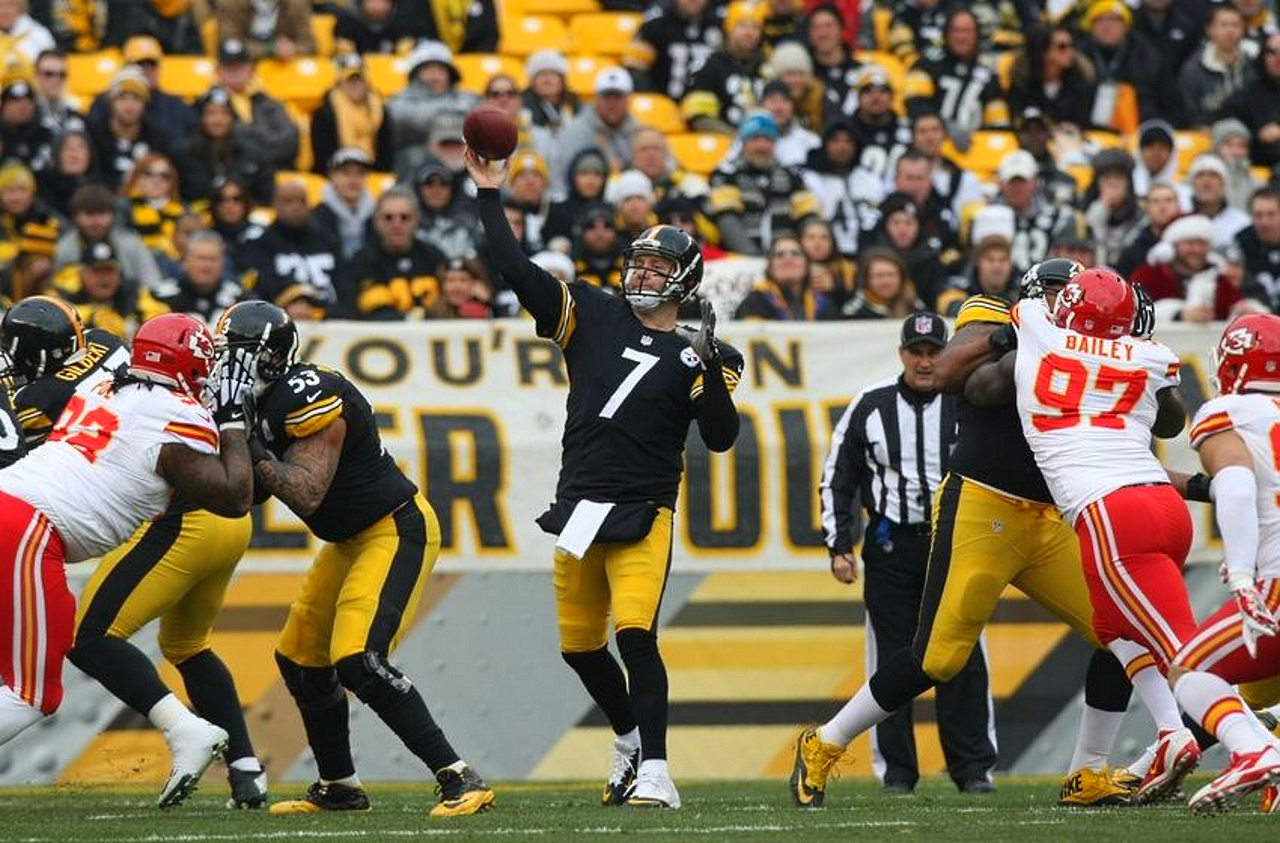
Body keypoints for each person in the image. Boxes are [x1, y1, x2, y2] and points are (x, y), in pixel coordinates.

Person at [792, 263, 1199, 810]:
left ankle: (1088, 771)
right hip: (984, 503)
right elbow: (960, 378)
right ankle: (826, 741)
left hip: (1054, 514)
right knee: (938, 658)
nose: (1073, 307)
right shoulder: (999, 313)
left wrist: (1137, 350)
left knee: (1121, 629)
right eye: (1061, 296)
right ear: (1039, 297)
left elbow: (1166, 425)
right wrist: (1027, 333)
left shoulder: (1103, 345)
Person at [468, 144, 742, 809]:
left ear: (686, 278)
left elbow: (721, 436)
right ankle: (628, 741)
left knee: (636, 635)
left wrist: (705, 368)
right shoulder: (589, 312)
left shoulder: (708, 351)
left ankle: (658, 770)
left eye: (658, 265)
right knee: (579, 649)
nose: (644, 274)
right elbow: (512, 266)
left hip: (645, 506)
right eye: (639, 262)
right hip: (580, 503)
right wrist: (488, 193)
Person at [220, 300, 494, 816]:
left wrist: (246, 438)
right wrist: (231, 434)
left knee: (359, 660)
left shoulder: (307, 392)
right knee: (301, 660)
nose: (230, 370)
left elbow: (307, 492)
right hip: (349, 539)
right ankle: (340, 786)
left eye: (242, 357)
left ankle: (459, 776)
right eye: (224, 357)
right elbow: (250, 495)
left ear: (274, 358)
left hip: (394, 528)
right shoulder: (258, 405)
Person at [0, 310, 254, 811]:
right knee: (32, 692)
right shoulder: (177, 414)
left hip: (17, 511)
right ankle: (189, 732)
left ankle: (186, 730)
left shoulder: (103, 390)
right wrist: (232, 424)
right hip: (27, 525)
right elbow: (234, 496)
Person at [1008, 269, 1214, 804]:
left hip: (1110, 512)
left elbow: (1030, 302)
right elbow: (1167, 411)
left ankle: (1251, 746)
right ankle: (1162, 737)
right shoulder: (1149, 356)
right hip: (1164, 505)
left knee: (1183, 651)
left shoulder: (1038, 325)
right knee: (1114, 628)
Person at [812, 310, 996, 796]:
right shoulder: (871, 404)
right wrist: (839, 545)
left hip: (953, 542)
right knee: (892, 657)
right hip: (891, 544)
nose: (925, 361)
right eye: (916, 352)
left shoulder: (967, 400)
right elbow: (838, 475)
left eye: (934, 351)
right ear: (902, 354)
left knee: (960, 655)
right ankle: (897, 771)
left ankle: (973, 768)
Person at [1170, 314, 1280, 814]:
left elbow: (1233, 485)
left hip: (1275, 580)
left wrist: (1241, 571)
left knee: (1191, 670)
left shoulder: (1231, 410)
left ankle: (1257, 750)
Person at [707, 114, 818, 256]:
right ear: (744, 143)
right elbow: (728, 222)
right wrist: (754, 256)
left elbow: (809, 217)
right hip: (744, 262)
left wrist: (800, 253)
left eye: (768, 139)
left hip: (787, 259)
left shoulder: (792, 176)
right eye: (755, 139)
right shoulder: (726, 175)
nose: (762, 146)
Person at [904, 8, 1008, 145]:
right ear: (945, 34)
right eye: (955, 31)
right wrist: (944, 126)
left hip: (973, 151)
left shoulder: (988, 74)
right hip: (931, 145)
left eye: (966, 31)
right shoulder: (926, 64)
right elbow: (915, 104)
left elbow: (998, 123)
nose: (961, 37)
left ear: (977, 35)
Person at [240, 180, 341, 319]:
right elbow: (262, 285)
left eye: (302, 201)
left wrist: (324, 311)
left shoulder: (328, 241)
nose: (296, 206)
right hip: (278, 320)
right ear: (275, 205)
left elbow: (344, 283)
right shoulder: (260, 244)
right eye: (289, 201)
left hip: (329, 319)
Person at [342, 186, 445, 319]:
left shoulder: (434, 257)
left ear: (417, 220)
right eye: (388, 217)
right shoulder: (360, 263)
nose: (397, 224)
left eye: (404, 217)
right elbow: (348, 314)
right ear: (376, 222)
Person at [176, 86, 275, 206]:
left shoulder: (254, 153)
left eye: (224, 113)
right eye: (211, 113)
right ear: (201, 118)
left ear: (233, 118)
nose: (218, 119)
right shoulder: (183, 154)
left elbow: (266, 197)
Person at [54, 184, 162, 292]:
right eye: (89, 214)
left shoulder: (131, 244)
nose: (96, 222)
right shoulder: (63, 249)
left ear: (114, 215)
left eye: (102, 214)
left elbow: (152, 284)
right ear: (75, 217)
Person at [53, 238, 168, 338]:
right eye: (96, 271)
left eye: (109, 271)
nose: (104, 278)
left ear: (119, 273)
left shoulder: (134, 294)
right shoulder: (66, 299)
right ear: (82, 275)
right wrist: (97, 316)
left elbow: (159, 317)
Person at [214, 39, 300, 172]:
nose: (235, 72)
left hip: (273, 171)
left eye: (240, 66)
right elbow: (212, 146)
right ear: (218, 70)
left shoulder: (270, 103)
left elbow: (289, 143)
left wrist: (244, 135)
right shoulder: (208, 105)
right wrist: (262, 135)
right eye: (229, 67)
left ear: (251, 68)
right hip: (229, 173)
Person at [681, 0, 765, 133]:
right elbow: (699, 117)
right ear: (729, 28)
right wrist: (738, 138)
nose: (749, 33)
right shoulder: (710, 65)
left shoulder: (766, 67)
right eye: (742, 26)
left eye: (755, 27)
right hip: (723, 142)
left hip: (764, 142)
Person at [385, 40, 477, 160]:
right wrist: (455, 113)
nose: (435, 76)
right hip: (414, 163)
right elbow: (401, 117)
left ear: (451, 75)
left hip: (459, 161)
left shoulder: (466, 97)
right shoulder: (400, 101)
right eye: (428, 69)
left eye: (441, 69)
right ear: (416, 75)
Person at [551, 69, 639, 194]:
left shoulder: (639, 132)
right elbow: (562, 175)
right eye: (607, 97)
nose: (612, 104)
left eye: (618, 97)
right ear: (597, 98)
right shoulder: (575, 132)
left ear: (629, 99)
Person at [86, 66, 168, 191]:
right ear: (111, 101)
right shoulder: (92, 134)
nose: (129, 106)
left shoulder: (157, 137)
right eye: (122, 98)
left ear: (145, 103)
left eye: (136, 98)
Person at [310, 53, 394, 175]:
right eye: (350, 80)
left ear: (367, 82)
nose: (355, 85)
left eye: (359, 80)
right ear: (340, 83)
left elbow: (386, 151)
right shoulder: (324, 113)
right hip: (335, 172)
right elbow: (322, 154)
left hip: (373, 171)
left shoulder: (380, 110)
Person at [624, 0, 722, 102]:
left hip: (707, 108)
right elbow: (635, 69)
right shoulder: (655, 24)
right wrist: (656, 100)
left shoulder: (720, 25)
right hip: (664, 105)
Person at [1006, 25, 1097, 132]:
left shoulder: (1082, 83)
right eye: (1062, 47)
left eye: (1072, 46)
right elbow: (1017, 120)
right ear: (1043, 50)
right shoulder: (1022, 84)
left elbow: (1087, 123)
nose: (1070, 52)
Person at [1178, 3, 1254, 129]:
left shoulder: (1253, 65)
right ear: (1209, 30)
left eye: (1235, 25)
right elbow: (1189, 111)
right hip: (1206, 132)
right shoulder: (1193, 69)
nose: (1230, 31)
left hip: (1246, 132)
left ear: (1243, 29)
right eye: (1223, 25)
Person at [733, 234, 834, 320]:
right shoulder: (754, 303)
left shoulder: (823, 304)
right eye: (779, 255)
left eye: (795, 253)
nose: (788, 258)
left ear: (807, 265)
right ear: (770, 267)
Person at [153, 231, 243, 324]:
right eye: (201, 258)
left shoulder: (239, 299)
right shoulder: (162, 297)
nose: (207, 266)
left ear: (223, 263)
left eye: (213, 259)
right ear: (185, 261)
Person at [1224, 30, 1280, 168]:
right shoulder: (1247, 92)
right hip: (1252, 163)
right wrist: (1257, 135)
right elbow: (1228, 124)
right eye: (1271, 52)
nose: (1278, 58)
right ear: (1263, 56)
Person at [312, 147, 376, 262]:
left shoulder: (377, 215)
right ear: (332, 177)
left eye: (360, 173)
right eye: (345, 173)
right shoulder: (316, 216)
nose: (353, 179)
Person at [121, 152, 188, 262]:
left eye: (164, 176)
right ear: (136, 178)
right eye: (148, 174)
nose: (156, 180)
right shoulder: (124, 207)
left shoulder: (182, 211)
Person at [215, 0, 315, 60]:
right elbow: (229, 45)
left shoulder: (296, 4)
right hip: (242, 62)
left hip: (284, 65)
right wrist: (270, 49)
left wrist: (292, 49)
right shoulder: (230, 3)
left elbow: (309, 45)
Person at [840, 247, 921, 320]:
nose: (886, 281)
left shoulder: (916, 307)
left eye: (891, 274)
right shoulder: (853, 313)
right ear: (867, 280)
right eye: (879, 276)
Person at [1239, 186, 1280, 311]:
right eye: (1258, 215)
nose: (1264, 222)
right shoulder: (1240, 244)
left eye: (1271, 214)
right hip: (1258, 322)